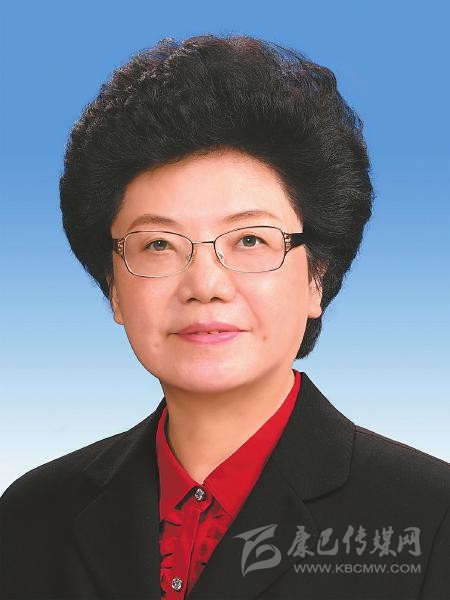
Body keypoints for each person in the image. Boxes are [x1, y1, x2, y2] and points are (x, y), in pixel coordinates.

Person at [0, 33, 448, 600]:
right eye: (158, 245)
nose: (205, 286)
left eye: (250, 240)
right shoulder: (32, 516)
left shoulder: (429, 519)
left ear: (317, 277)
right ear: (113, 288)